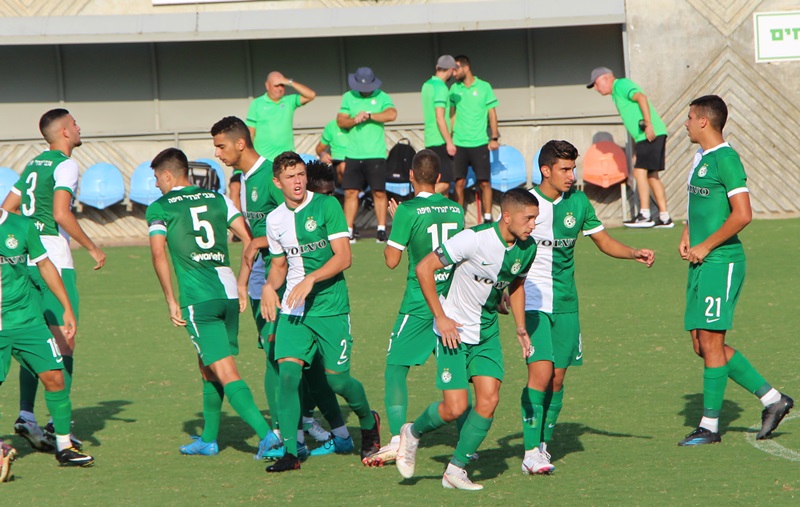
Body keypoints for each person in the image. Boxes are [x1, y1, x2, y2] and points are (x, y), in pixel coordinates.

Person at [519, 140, 655, 475]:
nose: (572, 175)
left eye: (573, 168)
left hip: (567, 304)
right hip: (533, 303)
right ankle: (530, 451)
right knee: (540, 374)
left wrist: (633, 252)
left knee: (557, 380)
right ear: (546, 170)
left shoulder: (578, 202)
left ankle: (543, 444)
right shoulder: (525, 203)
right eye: (565, 169)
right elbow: (502, 247)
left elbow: (603, 241)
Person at [395, 187, 539, 491]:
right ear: (507, 216)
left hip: (487, 333)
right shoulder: (473, 239)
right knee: (455, 408)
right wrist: (440, 317)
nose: (533, 225)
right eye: (528, 218)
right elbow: (424, 267)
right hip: (454, 331)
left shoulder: (528, 248)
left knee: (489, 400)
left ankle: (455, 470)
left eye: (535, 219)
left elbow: (516, 285)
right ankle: (412, 432)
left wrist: (521, 328)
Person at [146, 147, 280, 459]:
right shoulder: (218, 198)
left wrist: (170, 299)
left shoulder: (159, 208)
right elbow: (249, 239)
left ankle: (267, 437)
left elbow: (157, 253)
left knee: (225, 370)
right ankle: (208, 439)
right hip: (228, 294)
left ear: (167, 175)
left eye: (157, 178)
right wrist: (243, 281)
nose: (155, 184)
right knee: (207, 366)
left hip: (199, 299)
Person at [677, 95, 793, 446]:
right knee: (701, 344)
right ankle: (773, 400)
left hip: (722, 262)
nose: (685, 123)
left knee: (712, 343)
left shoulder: (726, 159)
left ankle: (710, 426)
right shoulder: (701, 158)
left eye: (689, 117)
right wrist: (687, 232)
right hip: (701, 262)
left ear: (703, 122)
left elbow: (743, 214)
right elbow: (701, 204)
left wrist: (707, 245)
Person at [211, 117, 331, 450]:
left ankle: (289, 429)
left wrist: (257, 247)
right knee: (275, 353)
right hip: (261, 282)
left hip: (283, 280)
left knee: (282, 355)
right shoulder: (246, 178)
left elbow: (294, 224)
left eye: (220, 146)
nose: (217, 153)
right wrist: (244, 277)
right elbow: (257, 237)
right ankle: (296, 425)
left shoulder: (268, 177)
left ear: (240, 143)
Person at [260, 152, 381, 472]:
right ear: (277, 182)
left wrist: (311, 278)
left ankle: (369, 422)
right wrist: (268, 287)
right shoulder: (275, 220)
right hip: (294, 309)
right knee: (288, 376)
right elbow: (278, 266)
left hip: (330, 307)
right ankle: (291, 453)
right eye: (290, 177)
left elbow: (343, 257)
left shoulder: (327, 206)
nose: (298, 181)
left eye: (301, 174)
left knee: (338, 382)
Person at [2, 108, 106, 452]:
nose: (79, 127)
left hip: (27, 261)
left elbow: (8, 207)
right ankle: (58, 426)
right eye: (74, 123)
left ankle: (27, 414)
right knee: (64, 342)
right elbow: (61, 213)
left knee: (36, 338)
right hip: (53, 260)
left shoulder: (34, 163)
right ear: (64, 132)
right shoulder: (66, 164)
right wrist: (91, 247)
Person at [363, 150, 465, 467]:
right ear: (439, 178)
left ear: (410, 176)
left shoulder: (407, 211)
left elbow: (392, 261)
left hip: (420, 302)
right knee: (457, 376)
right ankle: (466, 443)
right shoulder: (456, 209)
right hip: (452, 302)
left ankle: (398, 439)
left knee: (395, 367)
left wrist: (399, 224)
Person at [0, 208, 95, 480]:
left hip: (28, 320)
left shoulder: (21, 225)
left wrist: (66, 306)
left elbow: (44, 265)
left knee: (55, 377)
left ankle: (64, 447)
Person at [588, 67, 673, 228]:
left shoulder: (621, 85)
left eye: (596, 84)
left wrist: (648, 124)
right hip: (646, 137)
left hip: (649, 134)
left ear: (606, 78)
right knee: (652, 175)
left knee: (639, 171)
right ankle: (664, 217)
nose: (596, 89)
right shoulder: (616, 93)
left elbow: (641, 97)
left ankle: (645, 215)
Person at [336, 67, 397, 243]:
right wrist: (354, 119)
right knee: (350, 192)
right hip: (353, 154)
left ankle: (381, 230)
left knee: (379, 192)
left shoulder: (382, 96)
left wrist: (369, 115)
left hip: (375, 154)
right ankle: (348, 231)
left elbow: (392, 114)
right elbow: (341, 120)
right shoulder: (348, 97)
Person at [450, 55, 500, 222]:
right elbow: (452, 115)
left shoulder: (484, 87)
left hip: (479, 143)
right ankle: (458, 218)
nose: (454, 73)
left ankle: (488, 218)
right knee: (459, 183)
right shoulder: (454, 89)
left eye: (456, 69)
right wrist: (449, 139)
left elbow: (492, 113)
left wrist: (494, 137)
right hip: (459, 143)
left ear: (466, 68)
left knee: (484, 183)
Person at [246, 71, 316, 161]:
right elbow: (251, 131)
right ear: (267, 85)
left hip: (287, 158)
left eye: (282, 85)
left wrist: (289, 82)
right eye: (276, 85)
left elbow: (311, 95)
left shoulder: (289, 101)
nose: (280, 88)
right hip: (264, 159)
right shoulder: (256, 103)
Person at [421, 55, 458, 195]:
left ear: (437, 67)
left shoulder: (427, 85)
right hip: (440, 140)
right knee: (445, 181)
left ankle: (442, 210)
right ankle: (421, 201)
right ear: (451, 70)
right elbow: (439, 117)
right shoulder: (441, 88)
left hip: (430, 139)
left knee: (440, 185)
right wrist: (449, 142)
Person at [315, 119, 348, 186]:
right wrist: (322, 154)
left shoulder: (365, 126)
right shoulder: (332, 126)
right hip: (337, 162)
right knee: (343, 166)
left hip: (361, 161)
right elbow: (319, 148)